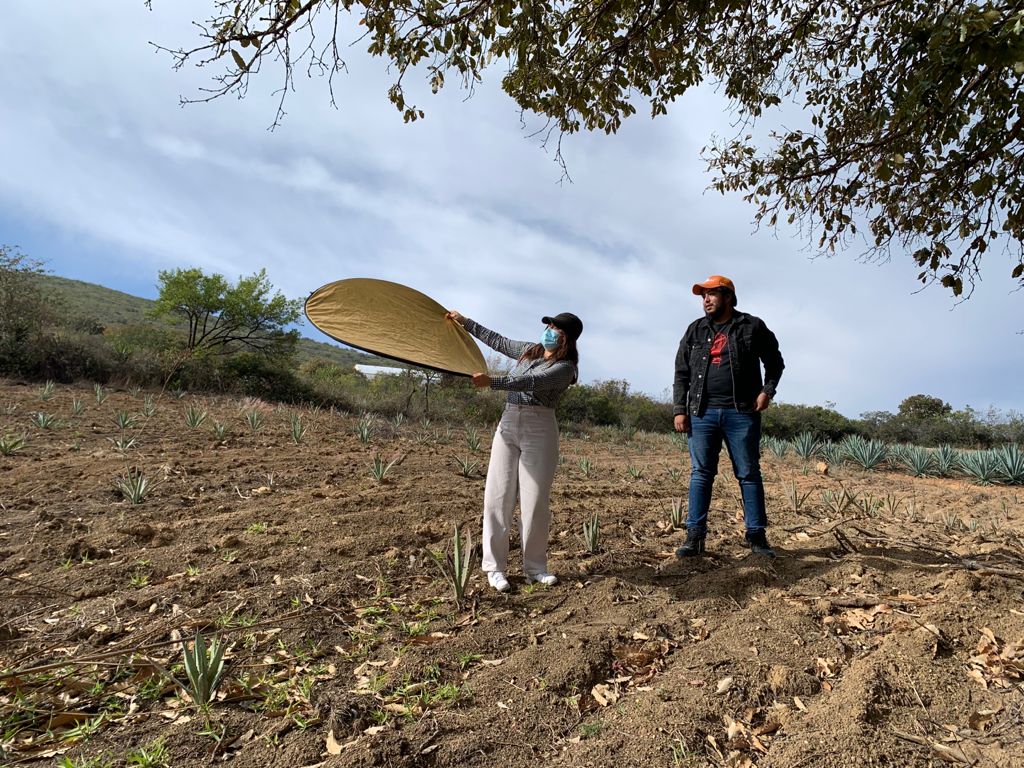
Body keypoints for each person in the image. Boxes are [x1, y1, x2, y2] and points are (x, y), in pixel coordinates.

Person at [445, 309, 582, 592]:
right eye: (549, 326)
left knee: (535, 502)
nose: (549, 332)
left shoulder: (565, 368)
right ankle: (495, 568)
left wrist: (492, 382)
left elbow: (533, 382)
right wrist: (465, 322)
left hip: (539, 427)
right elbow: (497, 341)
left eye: (556, 329)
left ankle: (535, 568)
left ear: (566, 338)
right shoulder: (529, 350)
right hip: (508, 422)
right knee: (497, 495)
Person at [672, 275, 784, 558]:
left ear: (728, 297)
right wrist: (679, 409)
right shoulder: (695, 330)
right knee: (701, 474)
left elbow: (775, 362)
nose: (706, 300)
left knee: (748, 473)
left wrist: (767, 391)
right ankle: (695, 537)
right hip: (701, 413)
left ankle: (756, 536)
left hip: (742, 412)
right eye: (703, 296)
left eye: (711, 294)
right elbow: (682, 372)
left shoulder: (751, 326)